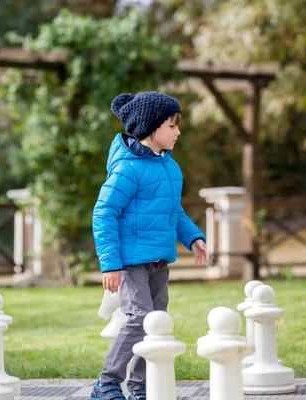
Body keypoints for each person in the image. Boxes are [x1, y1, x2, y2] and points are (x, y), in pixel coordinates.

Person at [90, 91, 209, 400]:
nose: (178, 132)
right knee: (139, 319)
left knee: (157, 322)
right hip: (130, 263)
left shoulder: (170, 168)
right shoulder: (128, 169)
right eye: (172, 126)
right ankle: (106, 383)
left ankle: (142, 385)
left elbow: (175, 211)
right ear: (152, 128)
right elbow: (104, 213)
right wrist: (111, 264)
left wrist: (193, 237)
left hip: (159, 261)